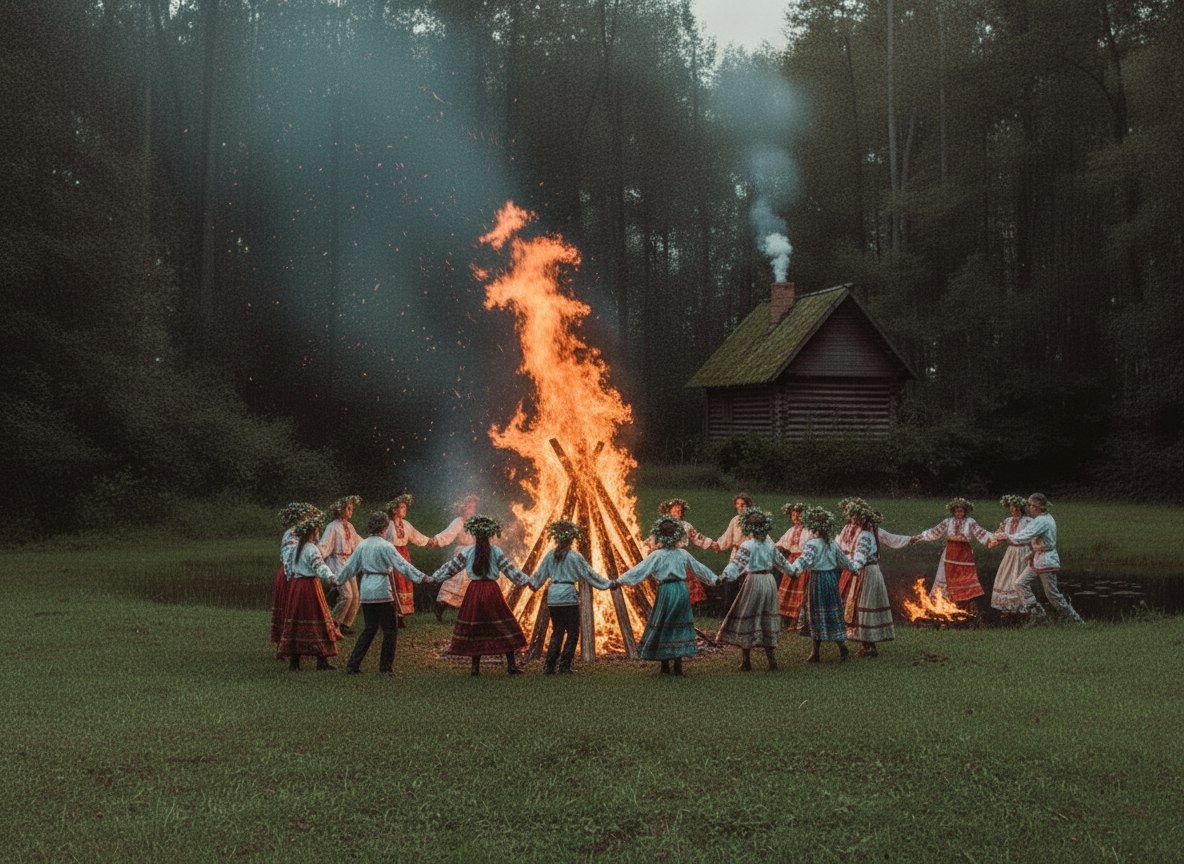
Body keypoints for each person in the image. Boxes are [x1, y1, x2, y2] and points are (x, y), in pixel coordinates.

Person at [610, 517, 720, 676]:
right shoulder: (682, 553)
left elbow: (640, 570)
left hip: (667, 590)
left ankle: (665, 665)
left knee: (664, 623)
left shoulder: (658, 555)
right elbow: (699, 568)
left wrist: (619, 581)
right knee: (678, 622)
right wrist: (715, 579)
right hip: (681, 589)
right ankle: (677, 665)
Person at [431, 514, 530, 676]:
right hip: (491, 591)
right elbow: (510, 570)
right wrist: (527, 581)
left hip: (475, 591)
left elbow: (451, 568)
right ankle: (511, 665)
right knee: (502, 625)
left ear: (474, 534)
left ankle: (475, 668)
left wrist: (434, 578)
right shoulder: (496, 551)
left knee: (475, 627)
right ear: (491, 534)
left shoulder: (468, 551)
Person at [335, 512, 432, 676]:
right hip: (382, 590)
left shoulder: (362, 545)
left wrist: (337, 580)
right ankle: (385, 667)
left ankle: (353, 664)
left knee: (369, 628)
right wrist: (422, 577)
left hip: (366, 591)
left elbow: (349, 567)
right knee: (390, 630)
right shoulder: (386, 546)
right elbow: (402, 565)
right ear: (385, 528)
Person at [527, 519, 612, 675]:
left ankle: (549, 665)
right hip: (568, 595)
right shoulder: (575, 556)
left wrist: (532, 584)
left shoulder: (550, 556)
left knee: (557, 630)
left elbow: (539, 575)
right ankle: (565, 665)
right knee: (573, 631)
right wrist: (607, 584)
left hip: (553, 597)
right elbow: (589, 574)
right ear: (572, 538)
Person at [717, 508, 794, 671]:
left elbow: (737, 564)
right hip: (769, 581)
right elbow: (782, 562)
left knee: (748, 614)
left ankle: (746, 660)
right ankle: (771, 660)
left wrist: (724, 576)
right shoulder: (769, 544)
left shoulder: (748, 545)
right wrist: (793, 572)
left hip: (754, 581)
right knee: (767, 615)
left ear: (748, 528)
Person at [993, 493, 1083, 623]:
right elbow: (1038, 539)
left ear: (1036, 507)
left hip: (1047, 561)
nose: (1028, 508)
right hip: (1038, 558)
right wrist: (1034, 551)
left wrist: (1008, 537)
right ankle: (1037, 612)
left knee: (1052, 595)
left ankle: (1075, 620)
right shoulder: (1043, 518)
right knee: (1020, 583)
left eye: (1030, 505)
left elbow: (1026, 534)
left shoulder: (1042, 521)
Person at [785, 507, 856, 663]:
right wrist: (854, 569)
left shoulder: (813, 544)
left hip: (818, 580)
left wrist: (792, 570)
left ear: (814, 527)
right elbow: (844, 560)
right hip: (831, 579)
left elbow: (803, 561)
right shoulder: (832, 544)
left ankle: (817, 651)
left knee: (816, 612)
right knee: (832, 610)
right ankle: (837, 646)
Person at [275, 514, 340, 671]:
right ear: (312, 532)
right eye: (317, 530)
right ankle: (321, 659)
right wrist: (331, 577)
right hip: (309, 587)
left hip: (297, 587)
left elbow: (289, 567)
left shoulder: (298, 548)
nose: (318, 533)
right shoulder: (311, 549)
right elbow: (319, 566)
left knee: (297, 619)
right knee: (317, 617)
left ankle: (295, 662)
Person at [910, 497, 991, 609]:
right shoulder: (947, 522)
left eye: (961, 511)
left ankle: (964, 602)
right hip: (950, 552)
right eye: (957, 511)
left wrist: (992, 539)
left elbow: (980, 532)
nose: (959, 513)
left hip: (964, 554)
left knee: (964, 577)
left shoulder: (970, 522)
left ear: (965, 511)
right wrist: (920, 537)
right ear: (953, 511)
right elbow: (935, 532)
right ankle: (945, 602)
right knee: (945, 574)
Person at [844, 504, 894, 657]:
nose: (853, 520)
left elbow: (860, 556)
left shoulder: (865, 535)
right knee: (863, 604)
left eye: (856, 518)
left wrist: (853, 567)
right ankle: (867, 644)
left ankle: (869, 646)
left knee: (864, 604)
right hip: (869, 570)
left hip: (866, 572)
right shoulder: (866, 532)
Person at [644, 499, 713, 607]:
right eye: (676, 511)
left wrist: (711, 544)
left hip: (681, 558)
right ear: (669, 512)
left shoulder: (686, 526)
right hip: (667, 557)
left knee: (684, 582)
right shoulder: (663, 525)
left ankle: (684, 606)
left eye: (680, 511)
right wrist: (646, 545)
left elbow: (696, 536)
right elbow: (652, 539)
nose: (679, 514)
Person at [382, 494, 435, 625]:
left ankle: (401, 616)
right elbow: (381, 541)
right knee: (395, 583)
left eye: (406, 507)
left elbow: (416, 536)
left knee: (405, 582)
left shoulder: (405, 524)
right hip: (392, 554)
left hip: (404, 554)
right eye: (402, 507)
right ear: (394, 509)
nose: (405, 509)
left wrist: (429, 541)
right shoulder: (387, 525)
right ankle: (393, 614)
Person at [271, 502, 319, 645]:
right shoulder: (291, 533)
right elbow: (288, 557)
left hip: (301, 574)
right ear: (300, 518)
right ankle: (286, 644)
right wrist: (294, 575)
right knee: (289, 608)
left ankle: (301, 642)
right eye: (307, 517)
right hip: (290, 575)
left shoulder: (307, 535)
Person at [432, 494, 479, 621]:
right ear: (464, 508)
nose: (471, 509)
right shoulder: (458, 521)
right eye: (469, 506)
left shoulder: (475, 521)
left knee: (473, 581)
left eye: (473, 507)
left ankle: (469, 613)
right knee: (458, 577)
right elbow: (448, 534)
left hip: (474, 553)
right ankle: (440, 606)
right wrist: (436, 541)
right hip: (462, 553)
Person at [319, 495, 363, 635]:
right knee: (347, 595)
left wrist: (372, 544)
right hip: (337, 562)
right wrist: (317, 556)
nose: (351, 511)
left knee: (356, 595)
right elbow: (325, 545)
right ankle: (333, 624)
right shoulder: (332, 527)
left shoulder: (350, 526)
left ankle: (345, 624)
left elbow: (358, 542)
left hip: (349, 562)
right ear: (340, 510)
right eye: (348, 508)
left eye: (352, 509)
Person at [986, 495, 1032, 615]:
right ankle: (1007, 605)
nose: (1014, 511)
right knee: (1005, 575)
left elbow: (1031, 536)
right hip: (1011, 551)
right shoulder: (1007, 521)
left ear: (1021, 508)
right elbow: (998, 534)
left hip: (1023, 551)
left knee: (1018, 577)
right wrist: (993, 541)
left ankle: (1022, 605)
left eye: (1016, 508)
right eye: (1012, 509)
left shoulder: (1027, 521)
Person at [711, 492, 755, 612]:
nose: (740, 507)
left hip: (750, 555)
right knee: (730, 580)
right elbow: (728, 536)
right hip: (736, 554)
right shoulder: (735, 520)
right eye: (738, 505)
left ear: (748, 506)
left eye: (743, 505)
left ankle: (747, 611)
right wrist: (717, 545)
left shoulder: (754, 520)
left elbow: (763, 536)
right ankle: (729, 611)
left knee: (747, 582)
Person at [774, 502, 813, 630]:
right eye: (793, 515)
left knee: (801, 591)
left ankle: (799, 622)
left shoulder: (810, 531)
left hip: (803, 563)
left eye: (799, 515)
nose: (796, 517)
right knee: (787, 591)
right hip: (791, 563)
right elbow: (780, 543)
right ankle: (786, 620)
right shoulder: (791, 530)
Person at [835, 496, 865, 600]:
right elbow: (840, 544)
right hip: (847, 563)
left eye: (854, 514)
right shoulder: (846, 527)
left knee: (855, 594)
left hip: (857, 564)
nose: (853, 517)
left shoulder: (863, 530)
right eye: (850, 514)